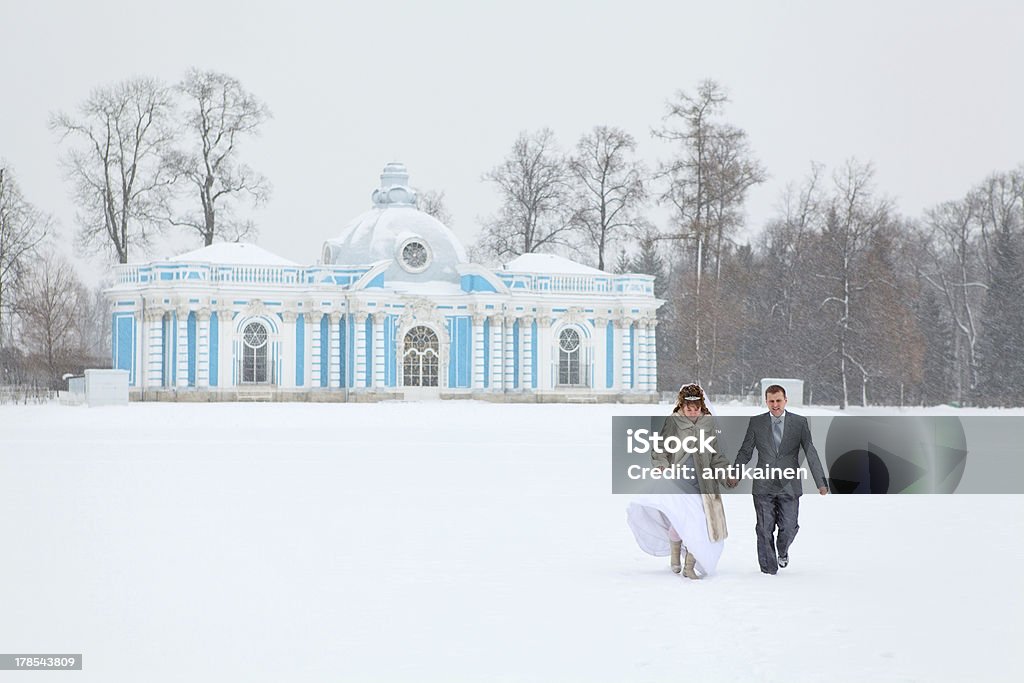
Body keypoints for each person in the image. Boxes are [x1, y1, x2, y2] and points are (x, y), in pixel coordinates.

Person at [626, 383, 736, 579]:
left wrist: (726, 473)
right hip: (678, 481)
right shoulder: (674, 423)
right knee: (682, 524)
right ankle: (675, 555)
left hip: (703, 484)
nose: (692, 412)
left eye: (696, 409)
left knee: (701, 526)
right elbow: (661, 447)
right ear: (681, 407)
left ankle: (689, 566)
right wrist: (661, 464)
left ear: (702, 407)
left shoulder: (709, 425)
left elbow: (717, 455)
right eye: (688, 408)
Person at [731, 384, 828, 575]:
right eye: (771, 401)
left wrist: (821, 482)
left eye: (778, 400)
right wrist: (736, 472)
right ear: (766, 401)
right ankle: (768, 570)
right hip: (763, 484)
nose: (775, 405)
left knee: (789, 527)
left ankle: (782, 550)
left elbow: (811, 451)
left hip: (789, 484)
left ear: (785, 400)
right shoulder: (756, 423)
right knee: (764, 529)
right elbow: (745, 451)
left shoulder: (799, 423)